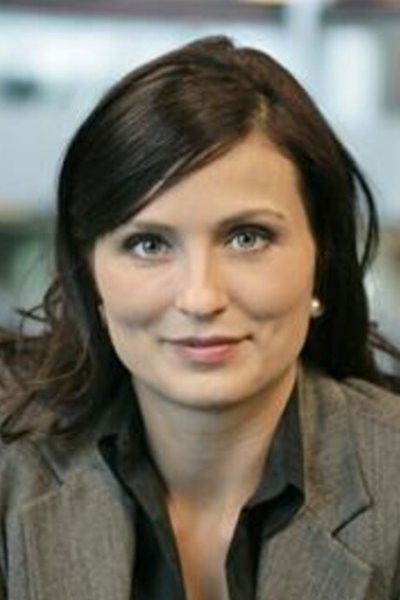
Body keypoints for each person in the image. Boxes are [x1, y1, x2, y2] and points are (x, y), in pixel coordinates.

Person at [0, 35, 400, 600]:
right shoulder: (13, 474)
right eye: (148, 244)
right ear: (90, 275)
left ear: (322, 258)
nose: (200, 297)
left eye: (247, 237)